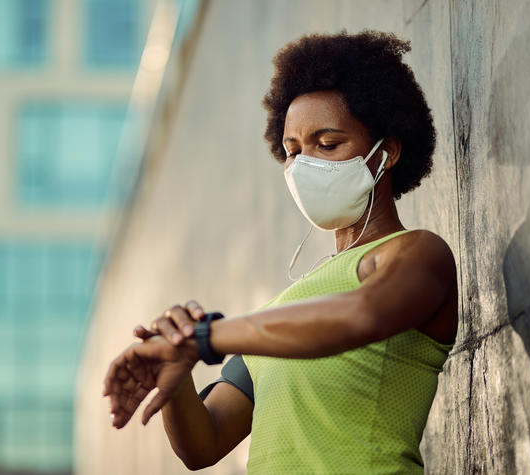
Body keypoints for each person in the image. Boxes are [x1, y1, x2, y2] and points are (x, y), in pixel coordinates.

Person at [103, 30, 458, 474]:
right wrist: (177, 367)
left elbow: (360, 316)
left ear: (385, 153)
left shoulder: (417, 253)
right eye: (293, 151)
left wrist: (204, 337)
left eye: (328, 144)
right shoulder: (278, 314)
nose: (306, 164)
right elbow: (204, 443)